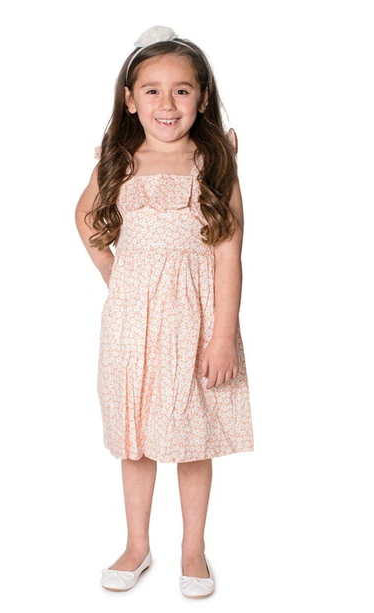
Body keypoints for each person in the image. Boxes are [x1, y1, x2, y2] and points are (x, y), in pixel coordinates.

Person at [75, 25, 254, 599]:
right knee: (136, 436)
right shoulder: (119, 160)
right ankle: (137, 544)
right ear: (130, 99)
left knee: (191, 436)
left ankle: (193, 549)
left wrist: (221, 336)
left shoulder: (213, 161)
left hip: (195, 322)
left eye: (181, 90)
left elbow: (229, 252)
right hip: (132, 325)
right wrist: (116, 275)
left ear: (202, 96)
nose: (167, 103)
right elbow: (85, 220)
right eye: (151, 90)